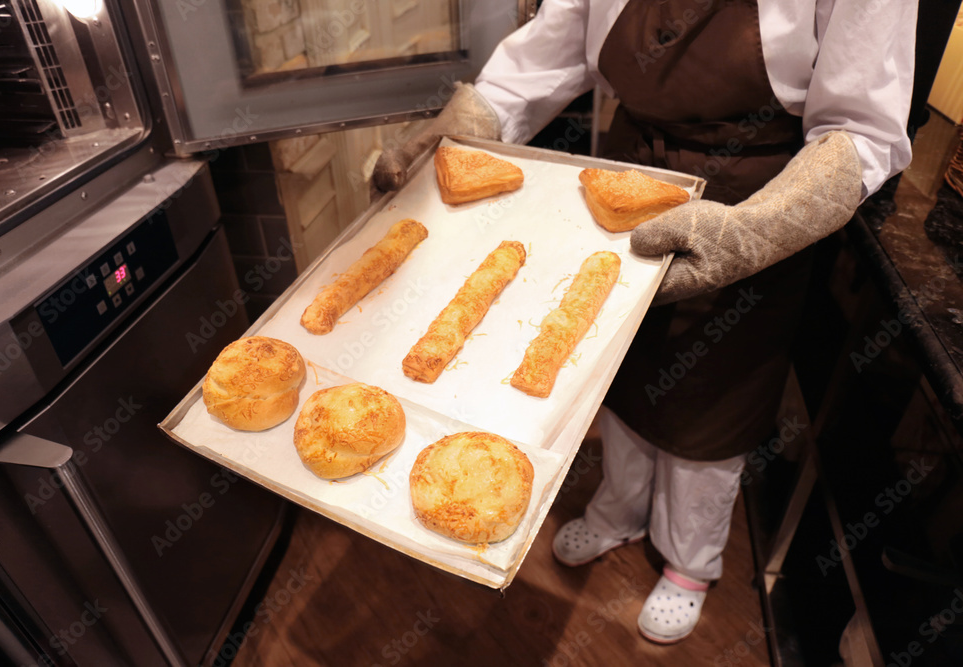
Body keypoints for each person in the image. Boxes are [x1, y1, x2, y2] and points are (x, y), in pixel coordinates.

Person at [374, 0, 917, 645]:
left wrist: (753, 232)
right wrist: (479, 113)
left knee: (712, 400)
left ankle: (690, 561)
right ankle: (618, 511)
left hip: (757, 200)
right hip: (624, 178)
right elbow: (566, 31)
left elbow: (860, 131)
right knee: (621, 370)